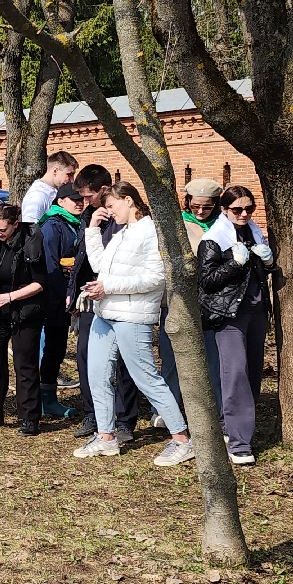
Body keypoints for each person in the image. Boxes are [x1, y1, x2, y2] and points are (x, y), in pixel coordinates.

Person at [72, 184, 195, 466]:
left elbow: (156, 278)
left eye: (112, 206)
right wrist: (92, 228)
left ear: (129, 201)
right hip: (106, 312)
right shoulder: (121, 233)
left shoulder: (150, 231)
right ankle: (105, 437)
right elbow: (100, 264)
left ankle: (182, 439)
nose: (109, 211)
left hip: (133, 316)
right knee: (97, 375)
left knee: (146, 378)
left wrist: (108, 287)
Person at [197, 186, 274, 467]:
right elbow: (206, 281)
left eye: (249, 209)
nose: (244, 214)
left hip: (255, 311)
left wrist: (267, 263)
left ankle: (230, 427)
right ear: (224, 210)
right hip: (229, 315)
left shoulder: (255, 232)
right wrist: (235, 263)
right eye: (237, 209)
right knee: (236, 373)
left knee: (252, 372)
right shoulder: (213, 239)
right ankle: (241, 443)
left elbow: (262, 272)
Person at [66, 165, 140, 441]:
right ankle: (93, 413)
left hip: (118, 298)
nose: (84, 202)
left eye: (88, 196)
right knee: (87, 357)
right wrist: (73, 291)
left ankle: (123, 419)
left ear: (103, 190)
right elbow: (82, 258)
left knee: (120, 362)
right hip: (89, 298)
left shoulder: (121, 219)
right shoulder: (89, 215)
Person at [0, 203, 45, 435]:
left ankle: (29, 417)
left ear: (15, 224)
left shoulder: (32, 240)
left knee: (25, 364)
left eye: (2, 230)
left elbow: (40, 283)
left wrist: (10, 297)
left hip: (24, 311)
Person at [156, 176, 225, 412]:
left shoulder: (223, 225)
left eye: (207, 206)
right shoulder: (176, 226)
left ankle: (213, 407)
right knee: (171, 357)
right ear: (187, 202)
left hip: (212, 302)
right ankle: (168, 409)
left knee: (213, 357)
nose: (201, 211)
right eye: (195, 206)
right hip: (178, 300)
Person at [36, 184, 83, 420]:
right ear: (60, 201)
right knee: (52, 349)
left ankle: (48, 398)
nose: (79, 203)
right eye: (74, 199)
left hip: (66, 295)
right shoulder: (53, 225)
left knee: (58, 348)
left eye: (81, 199)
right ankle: (46, 401)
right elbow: (50, 266)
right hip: (54, 298)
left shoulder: (74, 223)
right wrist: (65, 295)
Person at [19, 151, 79, 225]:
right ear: (55, 171)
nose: (72, 180)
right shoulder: (36, 197)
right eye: (69, 174)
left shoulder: (56, 190)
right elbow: (30, 232)